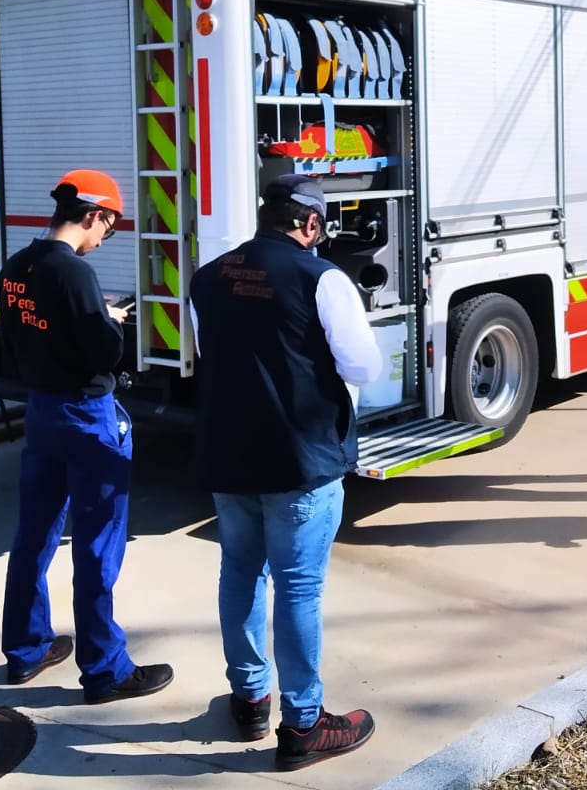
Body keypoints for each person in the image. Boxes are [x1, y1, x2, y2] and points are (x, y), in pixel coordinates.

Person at [189, 175, 384, 770]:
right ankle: (303, 725)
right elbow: (363, 365)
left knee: (240, 572)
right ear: (311, 224)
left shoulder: (208, 277)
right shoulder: (322, 278)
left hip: (229, 453)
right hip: (301, 460)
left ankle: (250, 699)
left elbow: (206, 352)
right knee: (299, 587)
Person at [0, 170, 174, 703]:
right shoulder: (73, 274)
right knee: (97, 545)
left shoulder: (17, 266)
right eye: (108, 229)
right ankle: (105, 669)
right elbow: (103, 351)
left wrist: (90, 319)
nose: (102, 240)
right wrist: (109, 320)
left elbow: (20, 334)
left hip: (42, 413)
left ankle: (27, 650)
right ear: (96, 215)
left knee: (34, 536)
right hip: (87, 415)